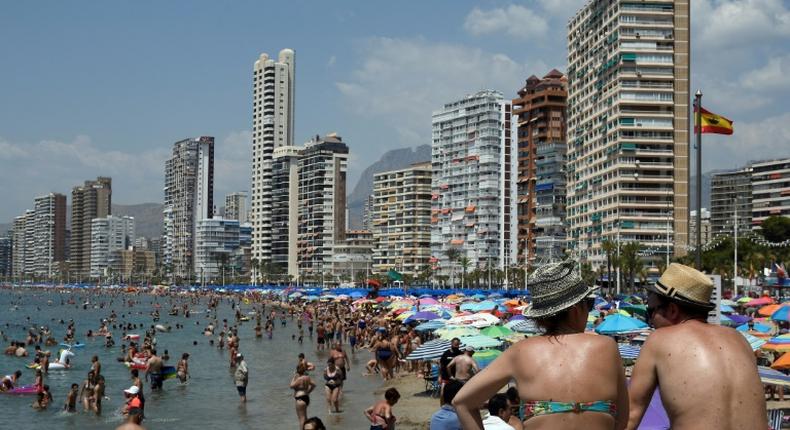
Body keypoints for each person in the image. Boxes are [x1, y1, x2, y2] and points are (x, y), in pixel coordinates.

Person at [453, 261, 628, 430]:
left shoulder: (521, 352)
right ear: (575, 309)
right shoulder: (606, 347)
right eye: (588, 304)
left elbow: (462, 402)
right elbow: (623, 418)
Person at [627, 263, 768, 429]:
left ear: (672, 310)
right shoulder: (739, 339)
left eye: (650, 311)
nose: (650, 320)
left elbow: (630, 416)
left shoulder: (659, 340)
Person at [291, 363, 316, 429]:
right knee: (305, 417)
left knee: (301, 419)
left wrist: (294, 376)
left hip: (300, 399)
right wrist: (308, 392)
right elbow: (314, 385)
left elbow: (291, 385)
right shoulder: (307, 377)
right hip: (306, 397)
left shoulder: (299, 379)